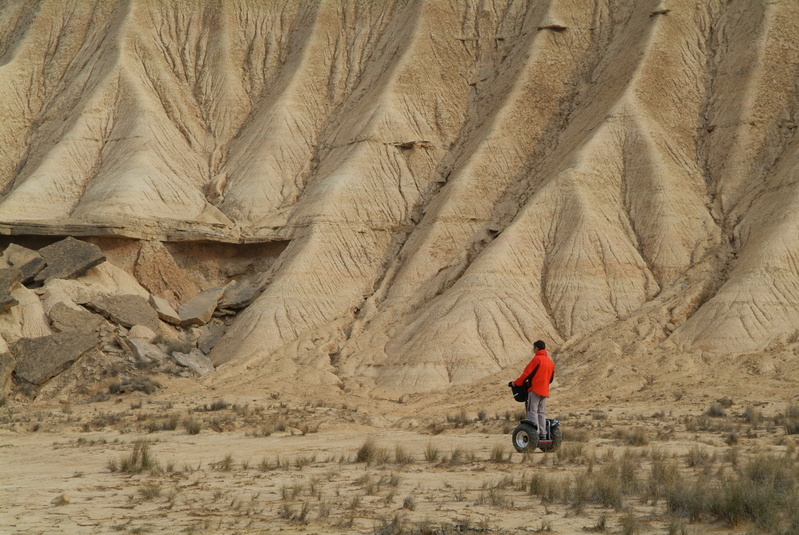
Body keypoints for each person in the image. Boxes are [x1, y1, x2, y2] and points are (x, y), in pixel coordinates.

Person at [509, 340, 554, 439]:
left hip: (535, 390)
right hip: (545, 391)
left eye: (534, 347)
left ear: (537, 348)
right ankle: (543, 434)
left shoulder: (537, 360)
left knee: (532, 411)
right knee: (541, 413)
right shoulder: (550, 362)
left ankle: (535, 434)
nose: (533, 349)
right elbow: (551, 379)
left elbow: (526, 374)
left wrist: (515, 383)